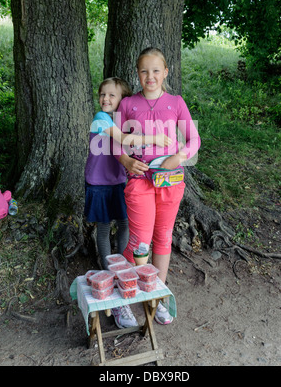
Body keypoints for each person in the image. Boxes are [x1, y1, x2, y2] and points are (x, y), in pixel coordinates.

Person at [115, 48, 201, 325]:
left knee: (163, 237)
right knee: (140, 242)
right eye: (144, 71)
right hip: (140, 181)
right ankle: (124, 297)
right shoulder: (128, 104)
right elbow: (114, 142)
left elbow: (194, 140)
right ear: (137, 73)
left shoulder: (176, 102)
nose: (149, 76)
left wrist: (180, 156)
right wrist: (127, 161)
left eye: (155, 71)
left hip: (171, 181)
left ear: (165, 72)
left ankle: (156, 296)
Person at [84, 76, 171, 329]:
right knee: (103, 227)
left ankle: (123, 267)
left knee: (125, 225)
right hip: (99, 183)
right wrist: (153, 139)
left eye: (112, 95)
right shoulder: (102, 119)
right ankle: (107, 269)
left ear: (123, 100)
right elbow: (122, 140)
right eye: (102, 94)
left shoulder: (126, 119)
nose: (105, 99)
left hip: (120, 181)